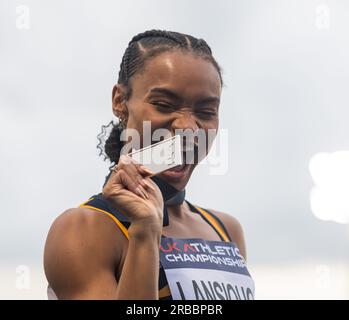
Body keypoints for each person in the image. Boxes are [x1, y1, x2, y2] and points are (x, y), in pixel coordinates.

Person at [44, 29, 255, 300]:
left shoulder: (226, 229)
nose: (188, 128)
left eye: (206, 112)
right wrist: (145, 231)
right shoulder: (83, 230)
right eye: (164, 105)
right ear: (120, 102)